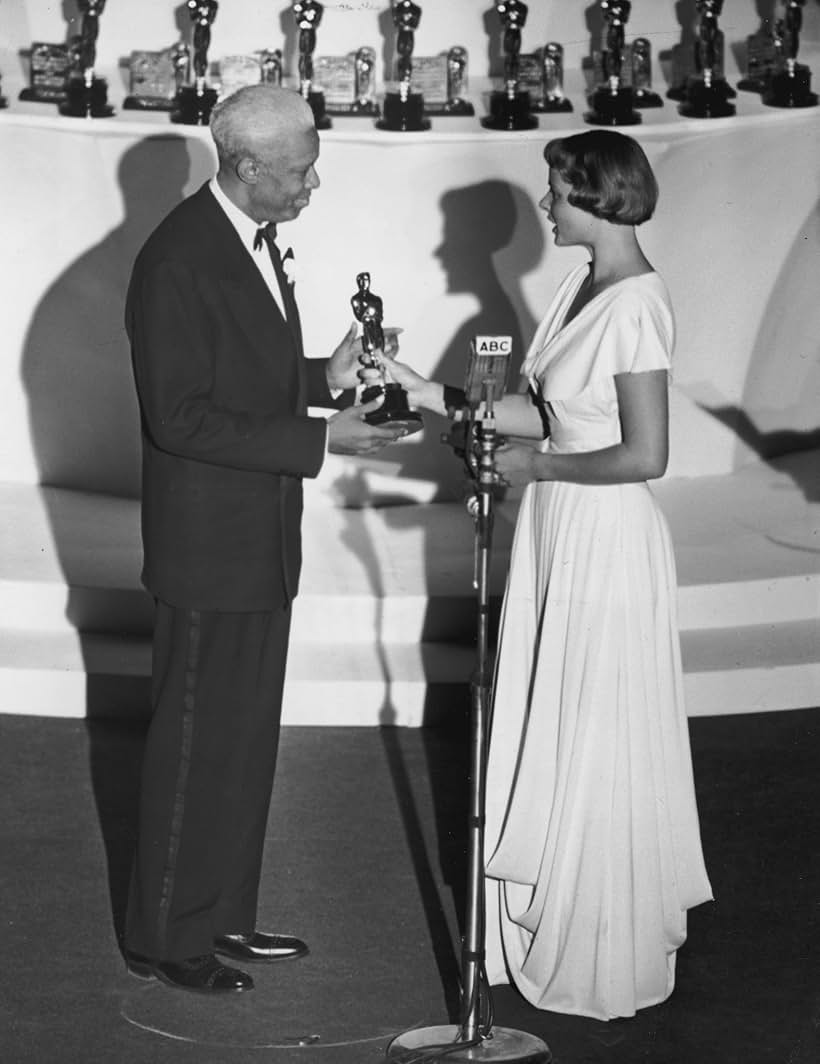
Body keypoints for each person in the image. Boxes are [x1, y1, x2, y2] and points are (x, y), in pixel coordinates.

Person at [377, 130, 713, 1020]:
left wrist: (537, 472)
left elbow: (647, 454)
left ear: (600, 199)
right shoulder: (580, 285)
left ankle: (603, 940)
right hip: (560, 526)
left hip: (604, 534)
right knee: (561, 716)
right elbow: (551, 413)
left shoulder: (637, 302)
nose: (545, 202)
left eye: (556, 188)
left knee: (597, 725)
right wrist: (419, 387)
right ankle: (556, 909)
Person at [123, 85, 406, 995]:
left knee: (242, 743)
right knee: (198, 743)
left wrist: (326, 376)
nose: (313, 182)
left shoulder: (246, 241)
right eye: (299, 169)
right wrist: (328, 441)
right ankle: (168, 937)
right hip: (209, 549)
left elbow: (244, 377)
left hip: (254, 540)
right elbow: (179, 419)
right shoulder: (179, 258)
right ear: (245, 167)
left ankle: (221, 917)